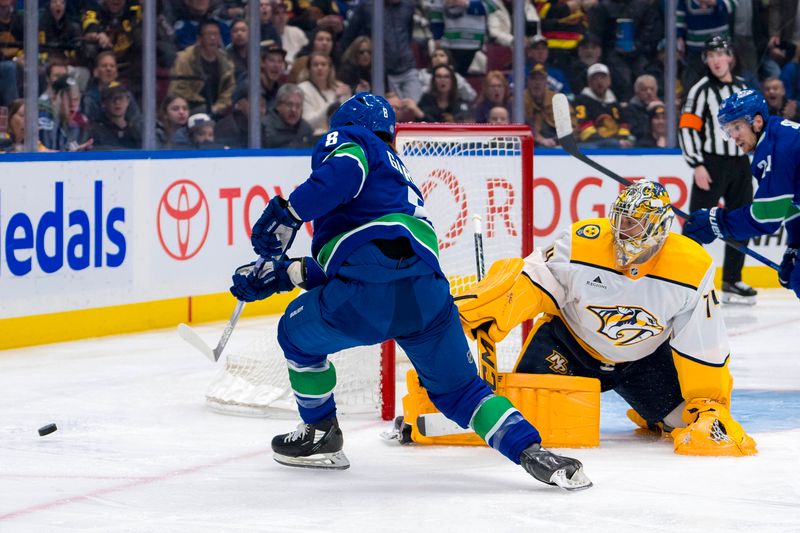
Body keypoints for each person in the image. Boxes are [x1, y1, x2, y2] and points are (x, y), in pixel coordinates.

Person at [227, 91, 592, 490]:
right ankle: (533, 453)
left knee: (295, 337)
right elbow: (373, 257)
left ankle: (320, 433)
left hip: (364, 299)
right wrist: (283, 274)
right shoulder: (396, 178)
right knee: (462, 393)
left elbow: (345, 182)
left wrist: (289, 213)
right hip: (427, 299)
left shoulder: (353, 142)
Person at [458, 180, 757, 457]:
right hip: (567, 349)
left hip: (643, 362)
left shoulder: (692, 267)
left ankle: (653, 411)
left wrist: (708, 402)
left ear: (658, 227)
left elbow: (702, 342)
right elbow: (535, 278)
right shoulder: (581, 242)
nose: (621, 230)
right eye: (620, 219)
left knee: (685, 421)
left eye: (633, 223)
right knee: (519, 422)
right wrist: (501, 302)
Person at [684, 89, 800, 300]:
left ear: (756, 122)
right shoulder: (778, 136)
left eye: (737, 127)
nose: (733, 137)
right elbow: (794, 203)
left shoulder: (776, 149)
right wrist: (794, 245)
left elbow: (767, 215)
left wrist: (717, 222)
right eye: (728, 130)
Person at [678, 35, 756, 305]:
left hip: (740, 164)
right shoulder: (700, 90)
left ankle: (732, 279)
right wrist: (696, 163)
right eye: (710, 56)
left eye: (719, 54)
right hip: (711, 163)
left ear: (730, 57)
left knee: (742, 220)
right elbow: (687, 128)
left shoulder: (743, 87)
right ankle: (686, 279)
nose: (715, 61)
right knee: (697, 223)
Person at [169, 19, 236, 118]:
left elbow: (229, 89)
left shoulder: (225, 60)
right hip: (190, 105)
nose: (213, 38)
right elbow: (179, 88)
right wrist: (206, 105)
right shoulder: (185, 59)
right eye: (209, 34)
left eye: (216, 34)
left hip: (217, 108)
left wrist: (218, 106)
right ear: (199, 38)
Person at [573, 63, 634, 148]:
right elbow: (585, 129)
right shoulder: (581, 101)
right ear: (589, 82)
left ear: (609, 81)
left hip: (615, 143)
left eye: (603, 78)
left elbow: (624, 124)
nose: (599, 82)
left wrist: (621, 139)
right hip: (591, 144)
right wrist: (613, 143)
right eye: (595, 78)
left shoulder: (614, 103)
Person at [88, 81, 142, 150]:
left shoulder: (137, 130)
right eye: (112, 98)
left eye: (121, 98)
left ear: (128, 101)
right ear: (104, 103)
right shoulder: (94, 130)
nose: (117, 102)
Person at [262, 83, 313, 148]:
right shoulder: (265, 128)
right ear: (278, 105)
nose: (293, 110)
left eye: (298, 106)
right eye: (289, 105)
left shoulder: (305, 129)